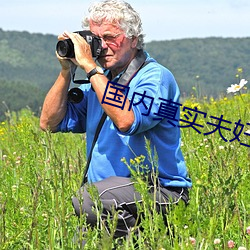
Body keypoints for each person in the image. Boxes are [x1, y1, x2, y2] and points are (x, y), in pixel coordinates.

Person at [40, 0, 192, 244]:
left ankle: (147, 241)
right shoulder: (99, 83)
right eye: (96, 39)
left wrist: (90, 67)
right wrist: (66, 70)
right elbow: (49, 123)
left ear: (133, 39)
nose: (102, 47)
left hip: (160, 192)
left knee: (88, 199)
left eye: (110, 37)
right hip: (110, 200)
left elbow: (126, 120)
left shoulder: (154, 77)